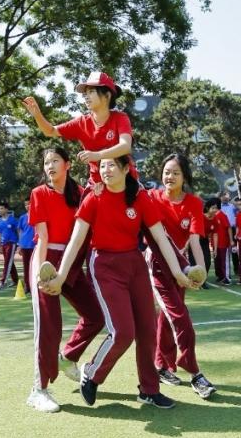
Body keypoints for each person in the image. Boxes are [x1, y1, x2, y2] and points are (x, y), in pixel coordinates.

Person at [40, 155, 194, 409]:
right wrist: (61, 275)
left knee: (147, 329)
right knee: (123, 332)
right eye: (102, 165)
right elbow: (76, 240)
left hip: (134, 265)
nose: (105, 169)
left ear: (125, 169)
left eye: (112, 164)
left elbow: (161, 238)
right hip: (104, 266)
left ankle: (149, 390)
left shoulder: (141, 198)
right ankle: (92, 372)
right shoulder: (93, 198)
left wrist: (179, 273)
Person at [24, 147, 106, 412]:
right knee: (49, 327)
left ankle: (68, 355)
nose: (50, 166)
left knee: (96, 315)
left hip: (71, 263)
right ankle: (39, 389)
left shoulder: (81, 194)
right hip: (46, 260)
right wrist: (39, 274)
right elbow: (43, 240)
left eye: (55, 161)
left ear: (68, 164)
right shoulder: (39, 193)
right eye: (46, 162)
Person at [145, 154, 217, 399]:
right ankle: (195, 372)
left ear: (184, 176)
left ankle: (161, 365)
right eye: (166, 172)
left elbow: (195, 240)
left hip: (183, 266)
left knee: (168, 318)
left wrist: (201, 272)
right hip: (157, 266)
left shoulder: (194, 203)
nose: (170, 177)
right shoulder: (152, 198)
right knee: (179, 316)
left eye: (175, 172)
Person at [22, 72, 136, 188]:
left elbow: (125, 146)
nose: (86, 96)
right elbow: (50, 131)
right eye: (85, 93)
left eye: (91, 92)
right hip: (97, 184)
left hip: (125, 182)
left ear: (107, 95)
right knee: (84, 206)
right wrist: (37, 115)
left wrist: (97, 155)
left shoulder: (120, 118)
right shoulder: (81, 122)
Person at [204, 198, 232, 285]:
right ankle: (220, 276)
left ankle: (226, 277)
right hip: (214, 242)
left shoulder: (222, 215)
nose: (214, 209)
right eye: (212, 207)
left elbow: (228, 227)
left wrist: (231, 240)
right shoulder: (210, 216)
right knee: (217, 260)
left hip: (223, 242)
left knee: (224, 260)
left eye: (215, 207)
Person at [0, 202, 21, 290]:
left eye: (1, 208)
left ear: (6, 209)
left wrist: (19, 243)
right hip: (3, 244)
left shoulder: (12, 220)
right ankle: (16, 281)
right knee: (10, 262)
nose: (0, 210)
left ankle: (2, 282)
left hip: (11, 243)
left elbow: (18, 231)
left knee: (7, 263)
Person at [16, 200, 36, 294]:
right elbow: (20, 231)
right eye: (25, 204)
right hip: (24, 245)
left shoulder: (38, 215)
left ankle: (35, 286)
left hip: (35, 246)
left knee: (35, 267)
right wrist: (19, 245)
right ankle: (27, 286)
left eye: (29, 203)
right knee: (26, 267)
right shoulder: (22, 218)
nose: (27, 206)